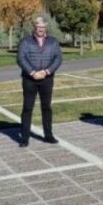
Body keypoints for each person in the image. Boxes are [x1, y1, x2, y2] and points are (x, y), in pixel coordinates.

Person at [16, 16, 63, 147]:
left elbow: (58, 58)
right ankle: (24, 138)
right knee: (27, 108)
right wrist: (32, 73)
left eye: (42, 27)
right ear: (34, 27)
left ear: (46, 28)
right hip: (29, 79)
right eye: (38, 26)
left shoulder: (53, 42)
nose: (40, 29)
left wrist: (47, 71)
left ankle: (48, 136)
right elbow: (21, 58)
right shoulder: (26, 41)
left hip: (47, 79)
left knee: (46, 107)